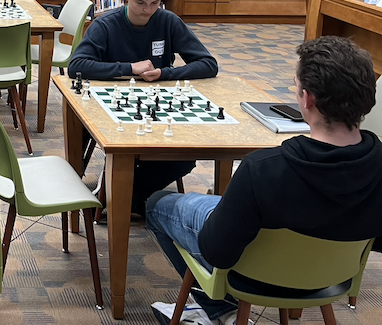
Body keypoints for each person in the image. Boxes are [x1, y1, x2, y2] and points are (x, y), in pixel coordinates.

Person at [146, 36, 382, 325]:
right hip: (333, 280)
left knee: (158, 204)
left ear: (307, 99)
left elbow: (216, 251)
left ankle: (219, 309)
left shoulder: (262, 169)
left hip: (254, 279)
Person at [68, 0, 218, 215]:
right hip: (109, 107)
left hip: (158, 109)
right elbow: (77, 66)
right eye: (141, 3)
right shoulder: (106, 25)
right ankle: (107, 194)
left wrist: (165, 73)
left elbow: (208, 64)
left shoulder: (168, 21)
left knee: (185, 157)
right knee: (86, 130)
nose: (148, 10)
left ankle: (125, 196)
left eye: (155, 3)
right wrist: (129, 68)